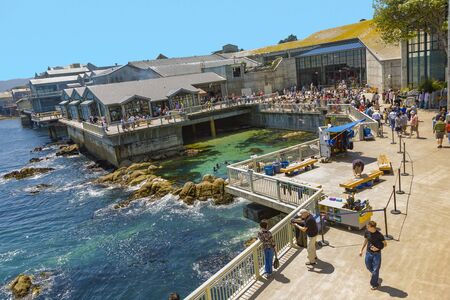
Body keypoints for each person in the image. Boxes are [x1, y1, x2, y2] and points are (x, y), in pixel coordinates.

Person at [359, 221, 387, 290]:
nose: (366, 228)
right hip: (368, 252)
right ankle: (375, 275)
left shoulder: (379, 235)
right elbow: (365, 240)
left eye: (368, 227)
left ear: (372, 227)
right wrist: (361, 250)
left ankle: (374, 284)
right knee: (368, 266)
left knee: (375, 270)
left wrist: (377, 248)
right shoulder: (367, 232)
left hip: (377, 254)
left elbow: (385, 244)